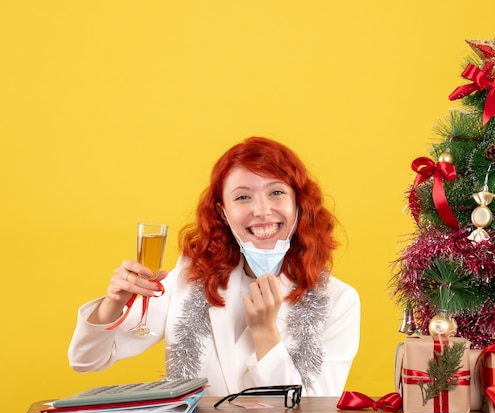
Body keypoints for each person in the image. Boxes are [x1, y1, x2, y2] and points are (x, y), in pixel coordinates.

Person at [68, 136, 361, 397]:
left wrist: (265, 333)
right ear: (223, 211)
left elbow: (314, 409)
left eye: (276, 192)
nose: (261, 210)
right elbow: (86, 359)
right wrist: (113, 302)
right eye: (243, 197)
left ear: (299, 203)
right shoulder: (191, 277)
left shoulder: (339, 301)